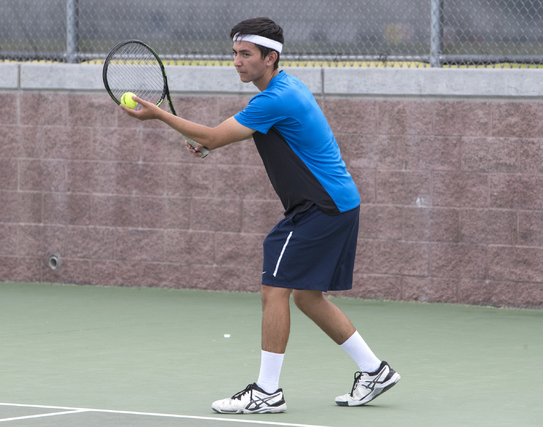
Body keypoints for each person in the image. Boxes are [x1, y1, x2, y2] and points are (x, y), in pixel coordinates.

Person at [121, 17, 400, 414]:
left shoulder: (274, 99)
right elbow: (227, 136)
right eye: (234, 53)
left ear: (270, 58)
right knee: (305, 296)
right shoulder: (283, 89)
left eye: (246, 54)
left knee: (275, 288)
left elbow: (216, 135)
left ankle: (268, 391)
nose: (236, 61)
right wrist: (208, 143)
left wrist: (162, 116)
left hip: (321, 207)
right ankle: (374, 371)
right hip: (336, 204)